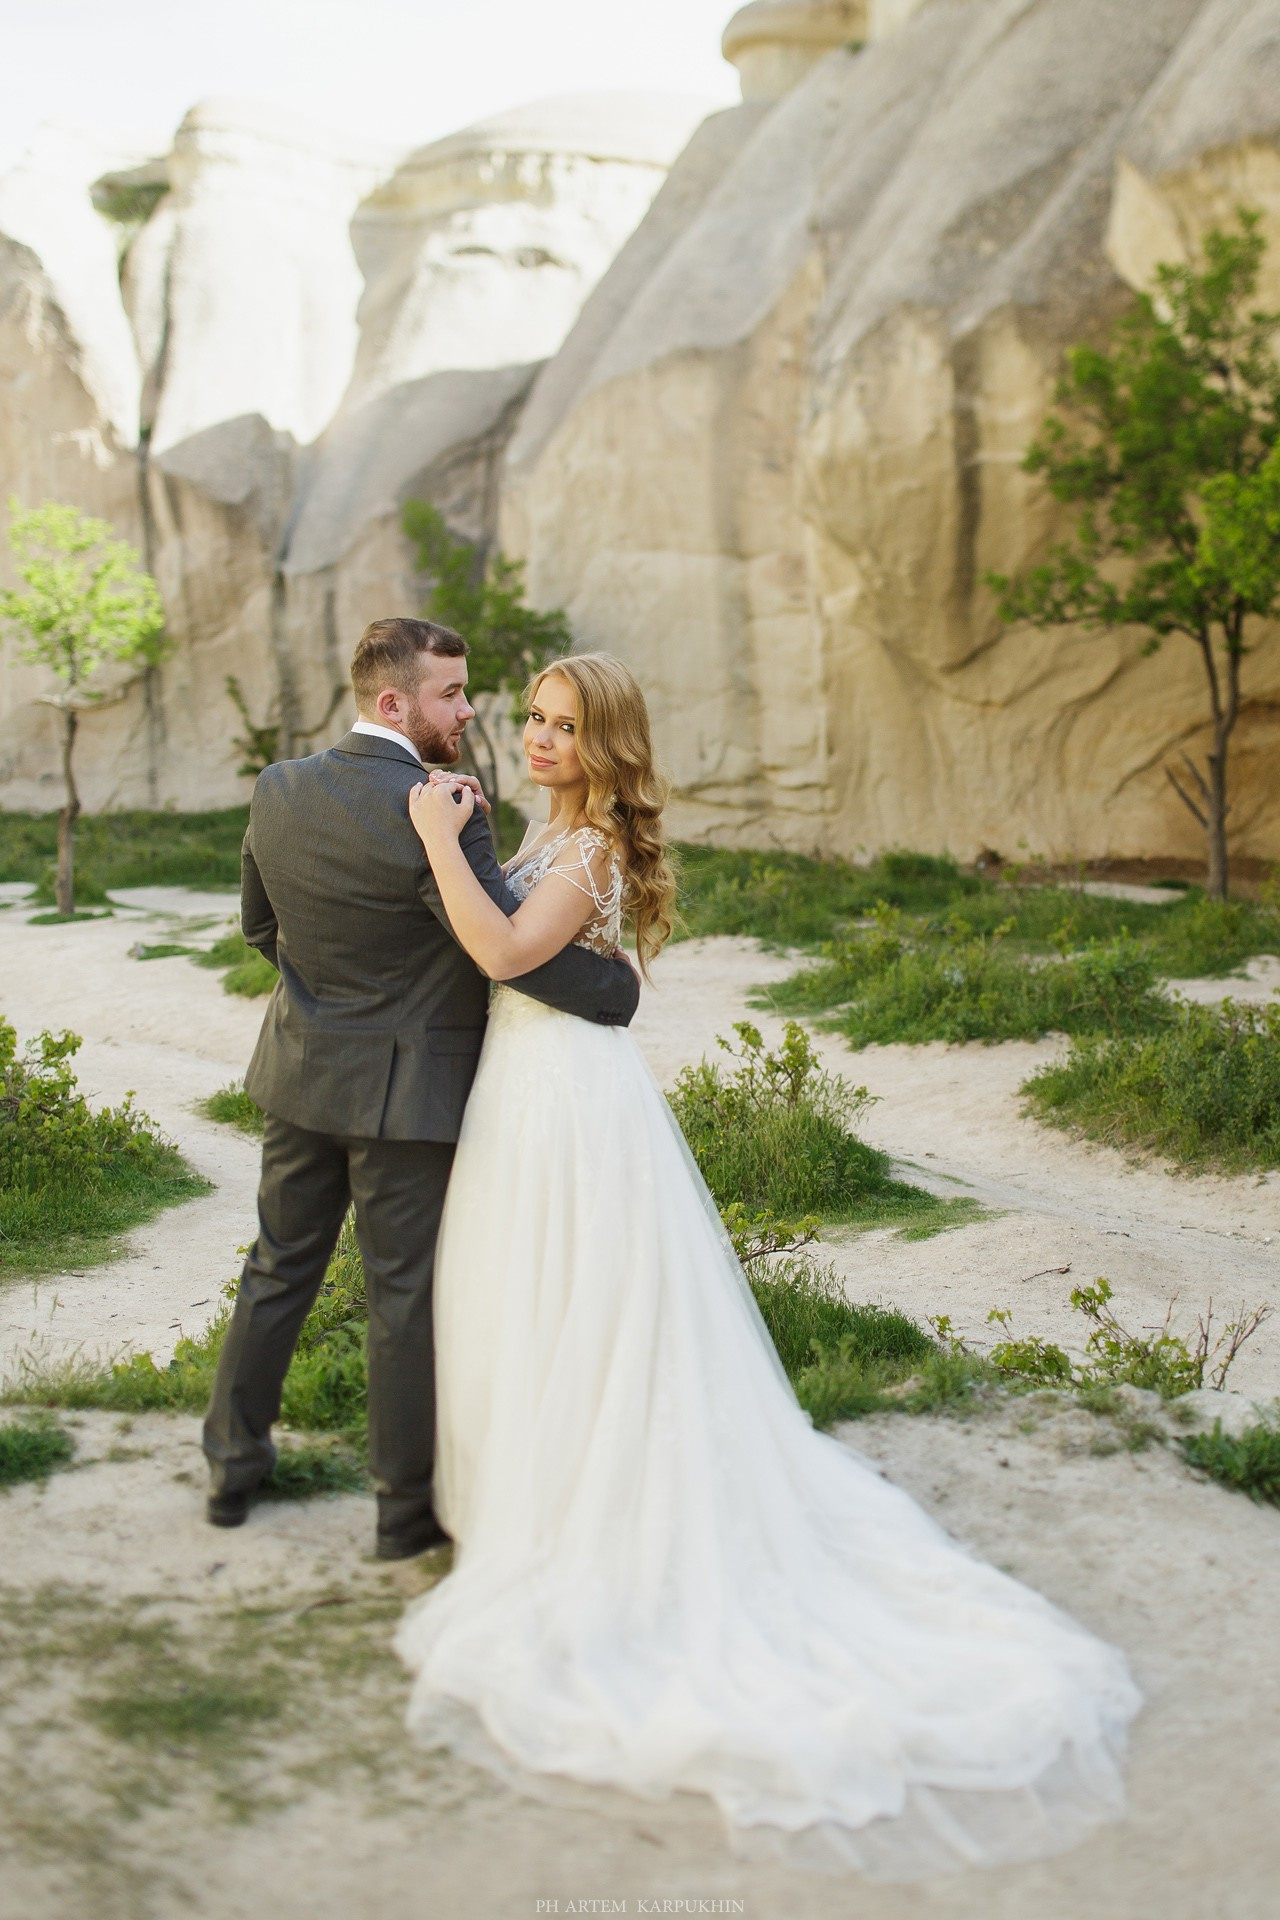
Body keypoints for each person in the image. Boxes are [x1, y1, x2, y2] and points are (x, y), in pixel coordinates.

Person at [393, 650, 1142, 1875]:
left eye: (563, 727)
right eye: (530, 718)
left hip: (566, 1110)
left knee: (586, 1305)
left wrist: (435, 836)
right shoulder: (552, 832)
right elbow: (602, 973)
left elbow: (502, 954)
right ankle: (526, 1496)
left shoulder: (583, 854)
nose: (535, 739)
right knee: (536, 1307)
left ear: (605, 745)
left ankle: (590, 1529)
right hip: (526, 1097)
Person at [201, 617, 639, 1560]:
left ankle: (233, 1467)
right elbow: (506, 954)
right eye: (450, 693)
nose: (469, 709)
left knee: (279, 1266)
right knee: (402, 1298)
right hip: (411, 1094)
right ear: (395, 701)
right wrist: (615, 987)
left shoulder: (279, 788)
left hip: (301, 1066)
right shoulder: (445, 808)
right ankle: (401, 1517)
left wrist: (330, 1002)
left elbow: (258, 928)